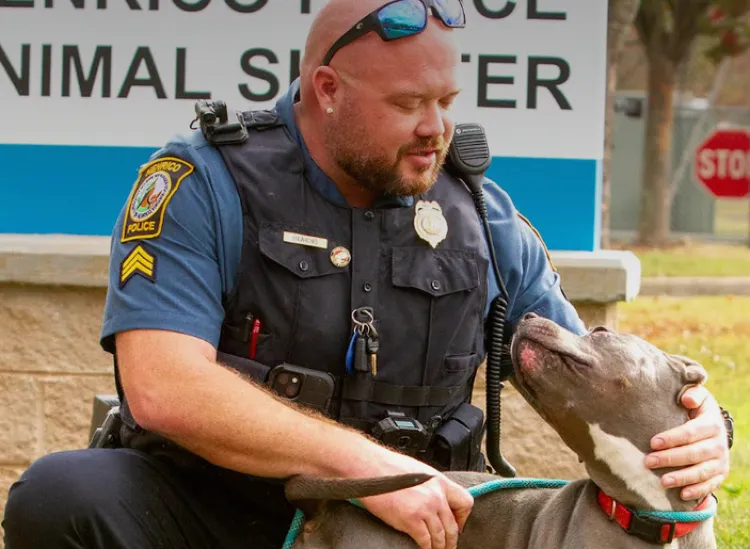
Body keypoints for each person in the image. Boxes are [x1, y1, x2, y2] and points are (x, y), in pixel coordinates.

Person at [3, 1, 731, 549]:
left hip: (409, 532)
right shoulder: (205, 182)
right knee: (62, 494)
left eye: (446, 103)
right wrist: (365, 464)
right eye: (409, 105)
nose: (436, 130)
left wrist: (702, 427)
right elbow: (164, 386)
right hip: (220, 506)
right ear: (326, 89)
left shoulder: (480, 215)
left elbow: (583, 367)